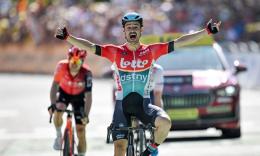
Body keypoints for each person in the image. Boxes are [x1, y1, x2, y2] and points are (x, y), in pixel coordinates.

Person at [55, 12, 221, 156]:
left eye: (135, 27)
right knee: (120, 148)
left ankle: (151, 149)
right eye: (129, 27)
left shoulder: (151, 51)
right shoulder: (115, 52)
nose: (132, 30)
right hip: (122, 106)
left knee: (166, 123)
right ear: (124, 31)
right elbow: (91, 47)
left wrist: (206, 31)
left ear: (141, 30)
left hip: (144, 105)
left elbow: (180, 42)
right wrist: (68, 38)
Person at [48, 46, 93, 156]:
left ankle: (82, 154)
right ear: (68, 59)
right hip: (64, 93)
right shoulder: (61, 66)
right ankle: (59, 136)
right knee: (58, 110)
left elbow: (88, 96)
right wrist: (53, 104)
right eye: (72, 60)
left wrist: (86, 115)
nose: (74, 64)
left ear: (82, 62)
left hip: (79, 97)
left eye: (78, 61)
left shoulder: (87, 73)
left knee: (81, 130)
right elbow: (54, 86)